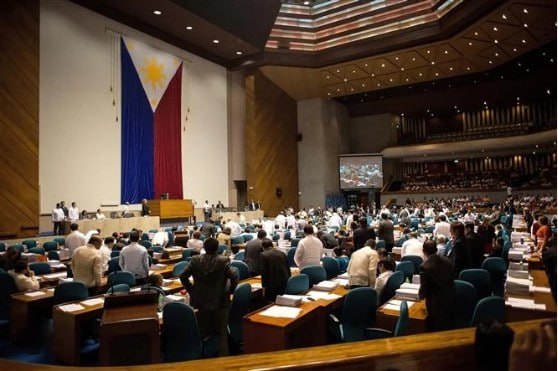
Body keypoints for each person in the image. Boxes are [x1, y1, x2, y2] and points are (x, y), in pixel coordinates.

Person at [179, 237, 238, 356]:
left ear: (204, 248)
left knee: (203, 333)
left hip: (201, 302)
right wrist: (230, 291)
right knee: (222, 333)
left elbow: (183, 276)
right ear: (217, 249)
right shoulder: (223, 261)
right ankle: (223, 361)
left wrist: (192, 290)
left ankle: (203, 360)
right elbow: (234, 276)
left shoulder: (195, 260)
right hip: (220, 302)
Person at [419, 239, 455, 331]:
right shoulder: (447, 261)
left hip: (435, 304)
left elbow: (424, 288)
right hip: (451, 298)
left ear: (424, 251)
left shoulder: (425, 266)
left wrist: (420, 297)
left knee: (434, 328)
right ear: (436, 249)